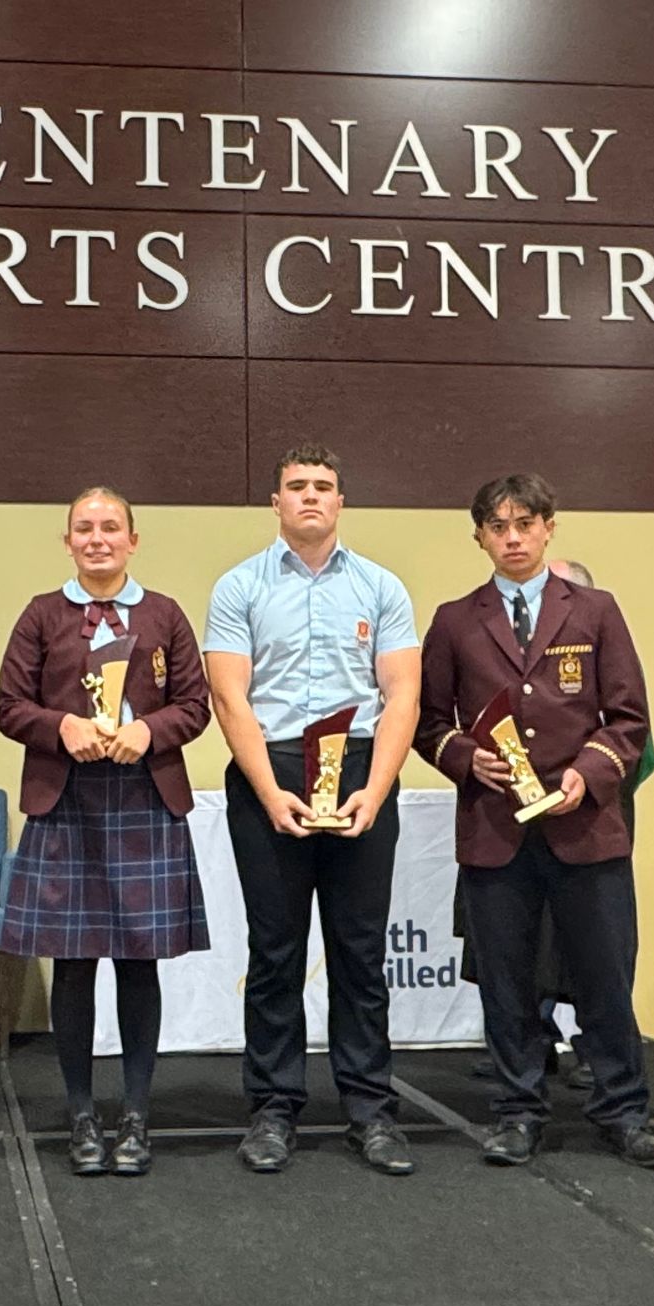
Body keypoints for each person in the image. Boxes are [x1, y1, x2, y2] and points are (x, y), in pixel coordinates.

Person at [416, 476, 654, 1172]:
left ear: (549, 527)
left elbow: (628, 718)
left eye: (525, 523)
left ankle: (624, 1113)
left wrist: (586, 774)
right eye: (497, 527)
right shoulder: (454, 620)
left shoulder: (596, 609)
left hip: (585, 825)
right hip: (496, 829)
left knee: (604, 975)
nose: (513, 538)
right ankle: (518, 1111)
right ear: (479, 537)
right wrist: (466, 758)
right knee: (506, 980)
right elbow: (429, 722)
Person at [204, 445, 421, 1177]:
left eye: (323, 486)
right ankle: (273, 1109)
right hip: (271, 770)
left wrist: (377, 788)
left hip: (360, 772)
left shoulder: (381, 586)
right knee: (275, 952)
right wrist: (269, 792)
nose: (310, 496)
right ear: (276, 502)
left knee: (361, 952)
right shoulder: (239, 586)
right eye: (296, 486)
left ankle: (371, 1109)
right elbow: (229, 697)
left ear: (340, 500)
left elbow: (403, 695)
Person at [0, 487, 211, 1176]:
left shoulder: (164, 614)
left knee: (140, 960)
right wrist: (61, 725)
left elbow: (195, 704)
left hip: (145, 796)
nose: (97, 539)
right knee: (74, 962)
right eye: (84, 528)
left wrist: (150, 730)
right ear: (67, 542)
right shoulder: (41, 614)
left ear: (133, 540)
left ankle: (137, 1116)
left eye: (110, 527)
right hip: (66, 801)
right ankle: (82, 1115)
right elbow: (9, 706)